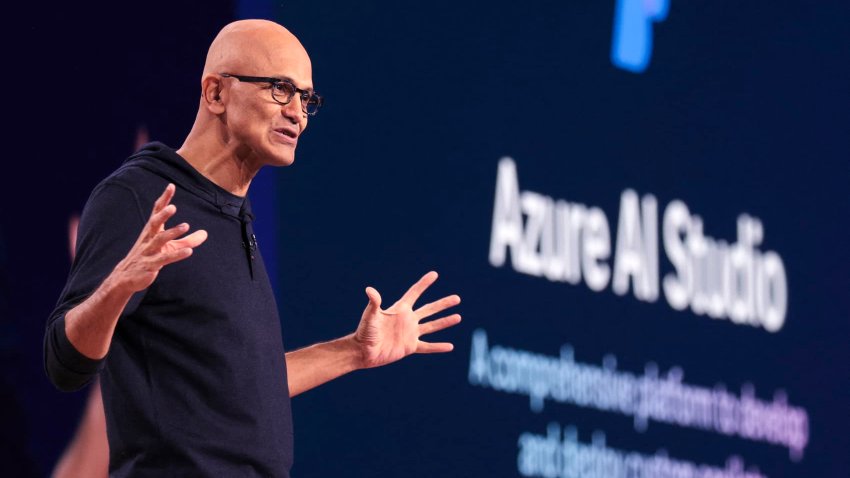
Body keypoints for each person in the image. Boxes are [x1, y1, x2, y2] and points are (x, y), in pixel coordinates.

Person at [43, 19, 461, 477]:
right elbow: (65, 363)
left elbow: (242, 388)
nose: (298, 113)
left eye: (307, 99)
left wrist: (354, 351)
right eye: (280, 89)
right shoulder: (142, 196)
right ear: (216, 93)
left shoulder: (231, 215)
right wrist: (117, 286)